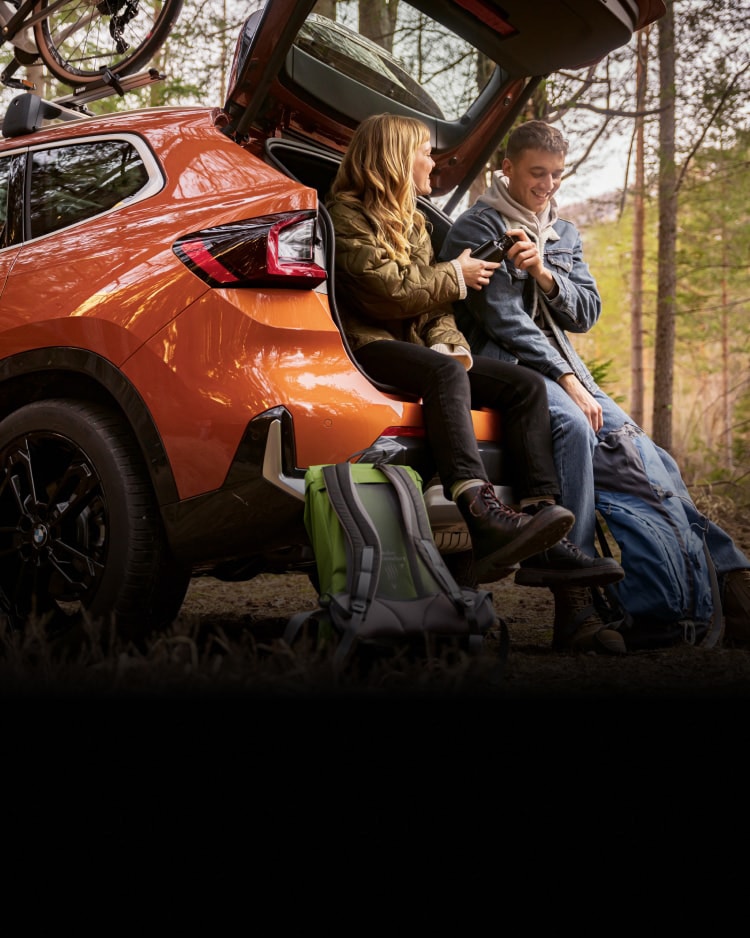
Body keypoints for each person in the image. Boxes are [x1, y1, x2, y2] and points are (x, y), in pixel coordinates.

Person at [326, 113, 626, 654]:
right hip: (369, 345)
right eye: (423, 152)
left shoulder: (414, 221)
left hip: (421, 350)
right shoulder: (345, 215)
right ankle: (478, 504)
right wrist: (455, 279)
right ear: (394, 158)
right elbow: (384, 292)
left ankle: (540, 521)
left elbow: (437, 305)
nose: (432, 162)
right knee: (447, 373)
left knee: (522, 387)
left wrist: (456, 347)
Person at [442, 118, 750, 645]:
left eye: (557, 174)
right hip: (506, 367)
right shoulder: (477, 228)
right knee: (576, 429)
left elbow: (586, 312)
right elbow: (503, 322)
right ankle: (576, 598)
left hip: (565, 366)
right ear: (508, 168)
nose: (548, 185)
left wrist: (544, 273)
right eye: (538, 173)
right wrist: (571, 384)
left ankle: (728, 579)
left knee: (655, 458)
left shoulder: (562, 232)